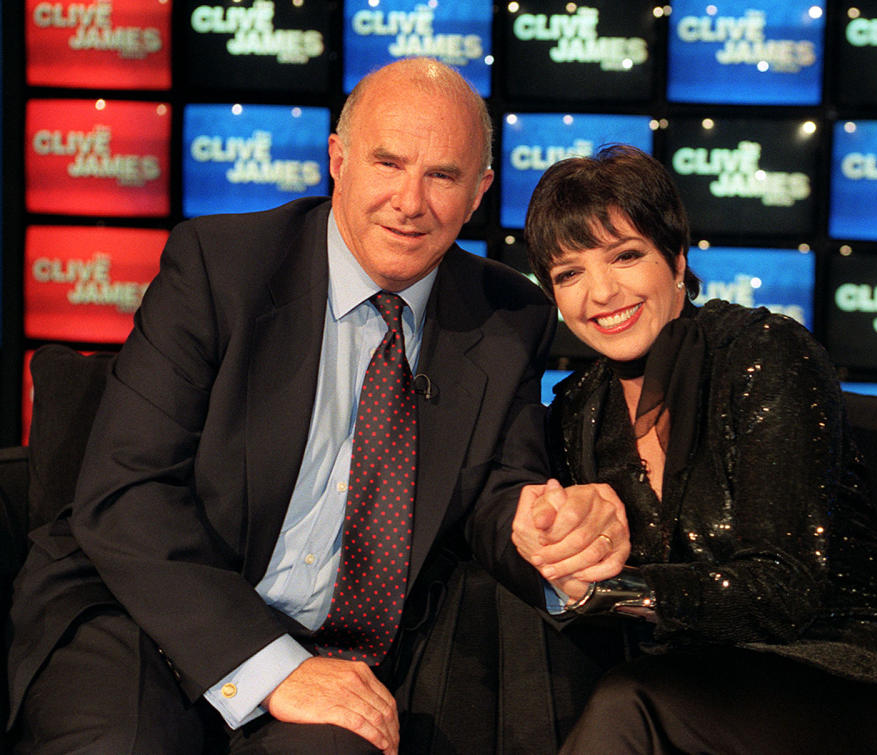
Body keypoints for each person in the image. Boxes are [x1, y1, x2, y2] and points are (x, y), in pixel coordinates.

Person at [5, 58, 625, 754]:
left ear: (480, 189)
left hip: (334, 658)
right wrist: (269, 665)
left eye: (442, 175)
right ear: (338, 158)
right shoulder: (221, 266)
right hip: (141, 614)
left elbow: (497, 493)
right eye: (388, 162)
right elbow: (126, 492)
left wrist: (550, 533)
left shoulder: (508, 317)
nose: (410, 201)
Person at [510, 144, 877, 754]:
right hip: (700, 682)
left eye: (625, 256)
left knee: (629, 704)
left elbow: (787, 587)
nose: (602, 292)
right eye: (570, 273)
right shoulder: (578, 413)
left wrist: (615, 588)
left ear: (675, 259)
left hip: (846, 669)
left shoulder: (764, 354)